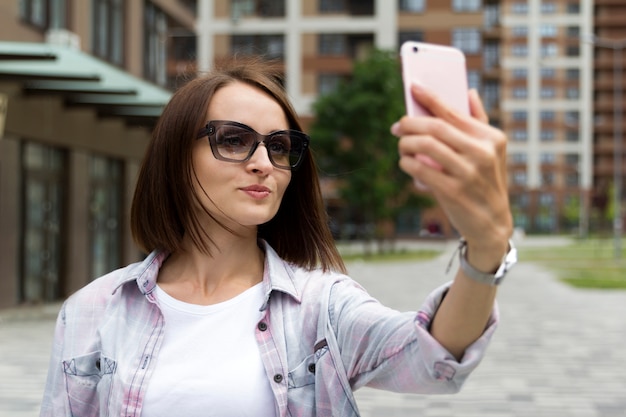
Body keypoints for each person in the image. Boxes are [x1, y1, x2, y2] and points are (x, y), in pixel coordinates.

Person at [40, 58, 514, 417]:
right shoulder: (93, 310)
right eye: (233, 139)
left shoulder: (320, 308)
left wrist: (487, 248)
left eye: (280, 146)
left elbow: (434, 358)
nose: (263, 162)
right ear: (175, 157)